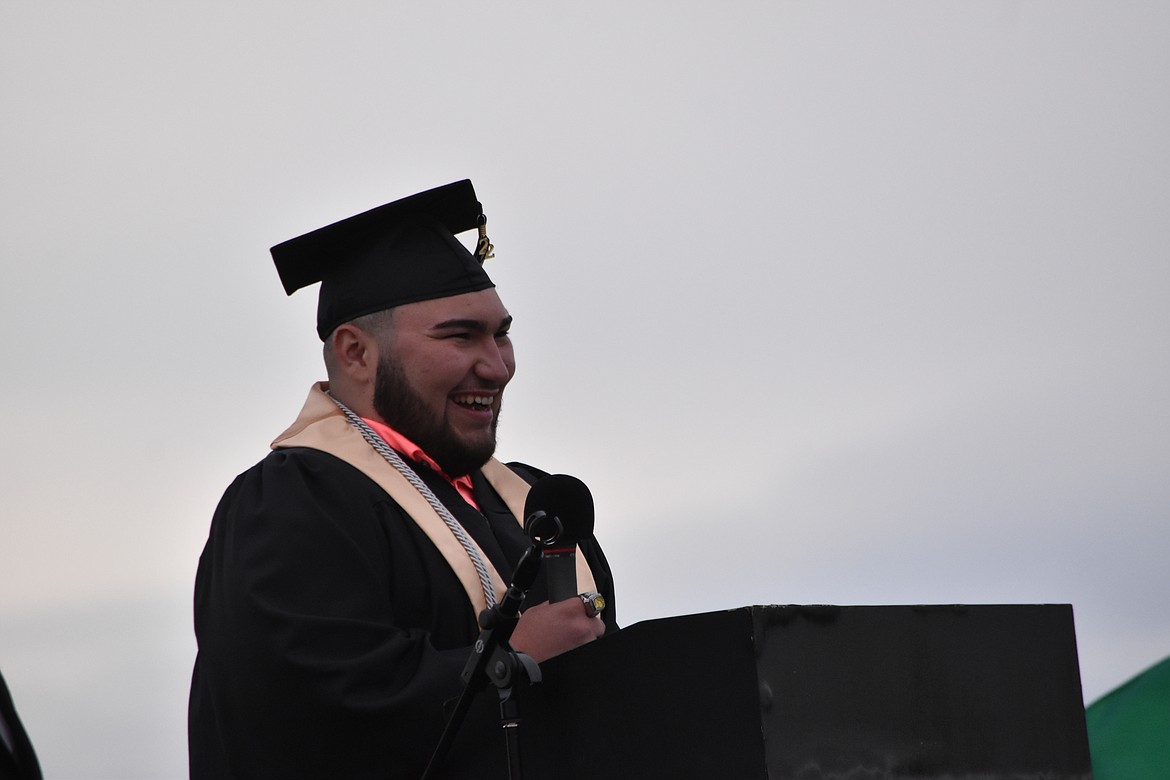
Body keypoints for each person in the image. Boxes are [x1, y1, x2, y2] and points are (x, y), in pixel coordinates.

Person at [188, 180, 617, 779]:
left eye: (501, 333)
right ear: (356, 354)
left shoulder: (534, 502)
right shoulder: (290, 504)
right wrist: (510, 661)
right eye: (460, 335)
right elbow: (305, 720)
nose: (497, 367)